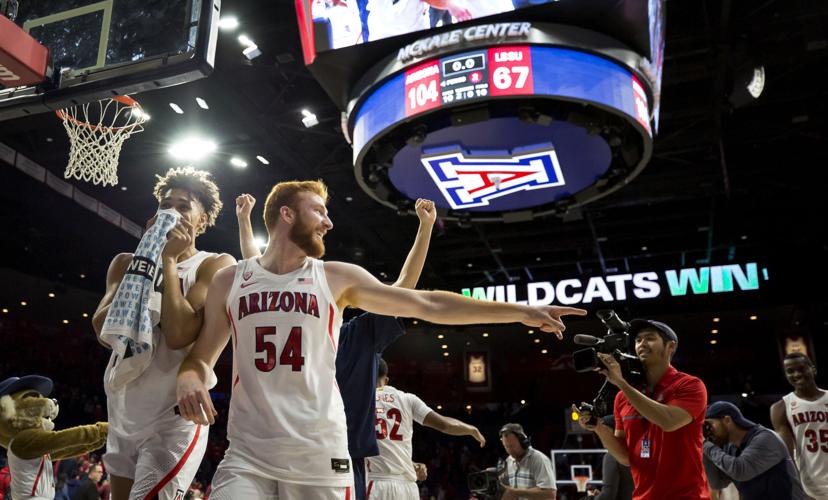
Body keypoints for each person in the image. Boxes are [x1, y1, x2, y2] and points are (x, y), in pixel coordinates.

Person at [176, 179, 586, 500]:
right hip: (247, 455)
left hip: (318, 453)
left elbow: (425, 302)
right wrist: (190, 376)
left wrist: (521, 312)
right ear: (286, 214)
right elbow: (201, 357)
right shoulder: (231, 279)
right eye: (319, 211)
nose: (328, 223)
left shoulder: (335, 277)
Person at [235, 193, 437, 500]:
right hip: (275, 446)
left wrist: (425, 227)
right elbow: (260, 273)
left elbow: (403, 289)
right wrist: (244, 222)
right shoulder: (292, 318)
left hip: (337, 451)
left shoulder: (359, 333)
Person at [92, 167, 235, 500]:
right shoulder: (126, 262)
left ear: (202, 220)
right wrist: (146, 260)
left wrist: (168, 261)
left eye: (184, 207)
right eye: (165, 205)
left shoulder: (214, 264)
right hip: (123, 409)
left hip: (173, 416)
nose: (172, 212)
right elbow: (102, 330)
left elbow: (179, 333)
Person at [573, 319, 710, 500]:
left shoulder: (690, 385)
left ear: (671, 346)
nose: (642, 344)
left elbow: (669, 422)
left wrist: (621, 383)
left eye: (650, 338)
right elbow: (625, 457)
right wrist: (598, 427)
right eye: (638, 340)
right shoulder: (623, 397)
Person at [366, 358, 485, 499]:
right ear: (386, 380)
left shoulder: (359, 401)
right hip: (407, 488)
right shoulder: (407, 399)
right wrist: (471, 429)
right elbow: (445, 425)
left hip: (376, 483)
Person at [702, 401, 805, 500]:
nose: (708, 430)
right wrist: (704, 445)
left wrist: (706, 445)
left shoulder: (765, 438)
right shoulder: (730, 447)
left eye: (709, 424)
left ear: (727, 420)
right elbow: (717, 482)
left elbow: (740, 470)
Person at [771, 352, 828, 498]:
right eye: (790, 371)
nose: (797, 374)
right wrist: (797, 487)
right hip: (812, 484)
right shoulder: (781, 407)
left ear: (813, 369)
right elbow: (787, 455)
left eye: (801, 369)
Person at [498, 423, 556, 500]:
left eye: (512, 446)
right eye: (506, 446)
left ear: (523, 442)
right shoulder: (508, 461)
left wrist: (515, 493)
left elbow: (550, 493)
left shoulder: (539, 459)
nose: (509, 451)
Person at [589, 415, 633, 500]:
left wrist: (591, 498)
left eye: (605, 431)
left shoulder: (611, 456)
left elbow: (608, 496)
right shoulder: (636, 453)